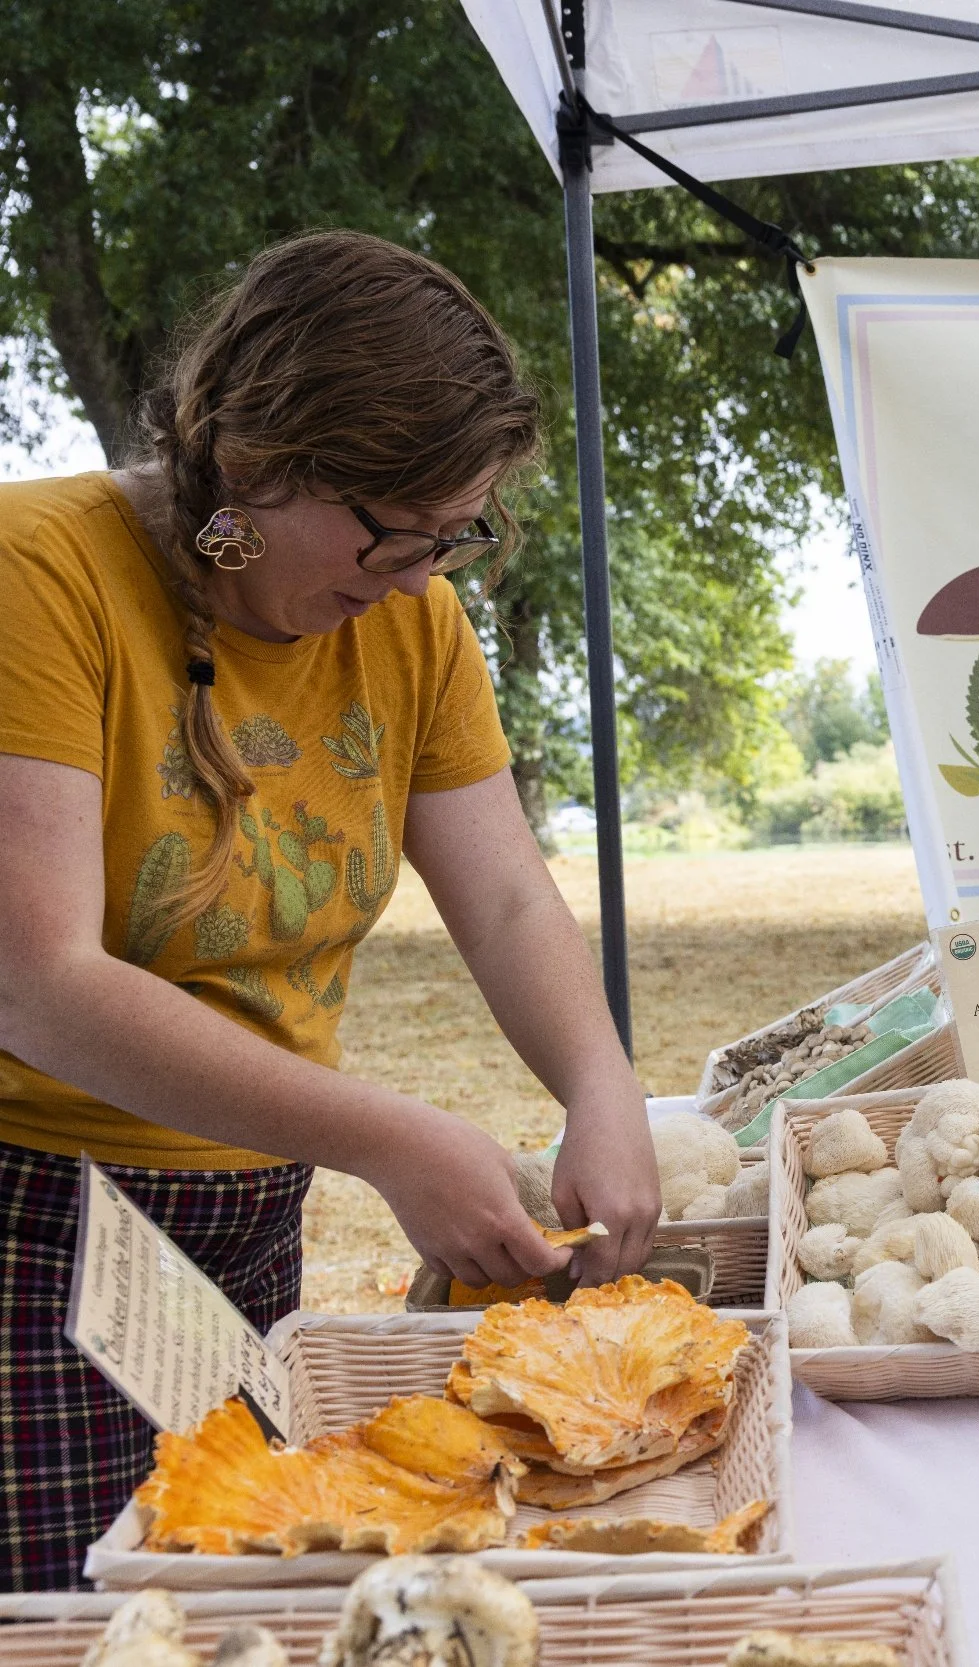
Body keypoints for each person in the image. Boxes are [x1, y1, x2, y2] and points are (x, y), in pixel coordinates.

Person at [0, 231, 661, 1589]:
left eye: (456, 533)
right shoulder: (37, 574)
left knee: (232, 1586)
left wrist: (604, 1082)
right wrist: (391, 1136)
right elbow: (39, 980)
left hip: (247, 1204)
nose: (423, 575)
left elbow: (507, 901)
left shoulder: (409, 626)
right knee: (76, 1606)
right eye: (396, 532)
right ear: (253, 461)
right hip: (33, 1225)